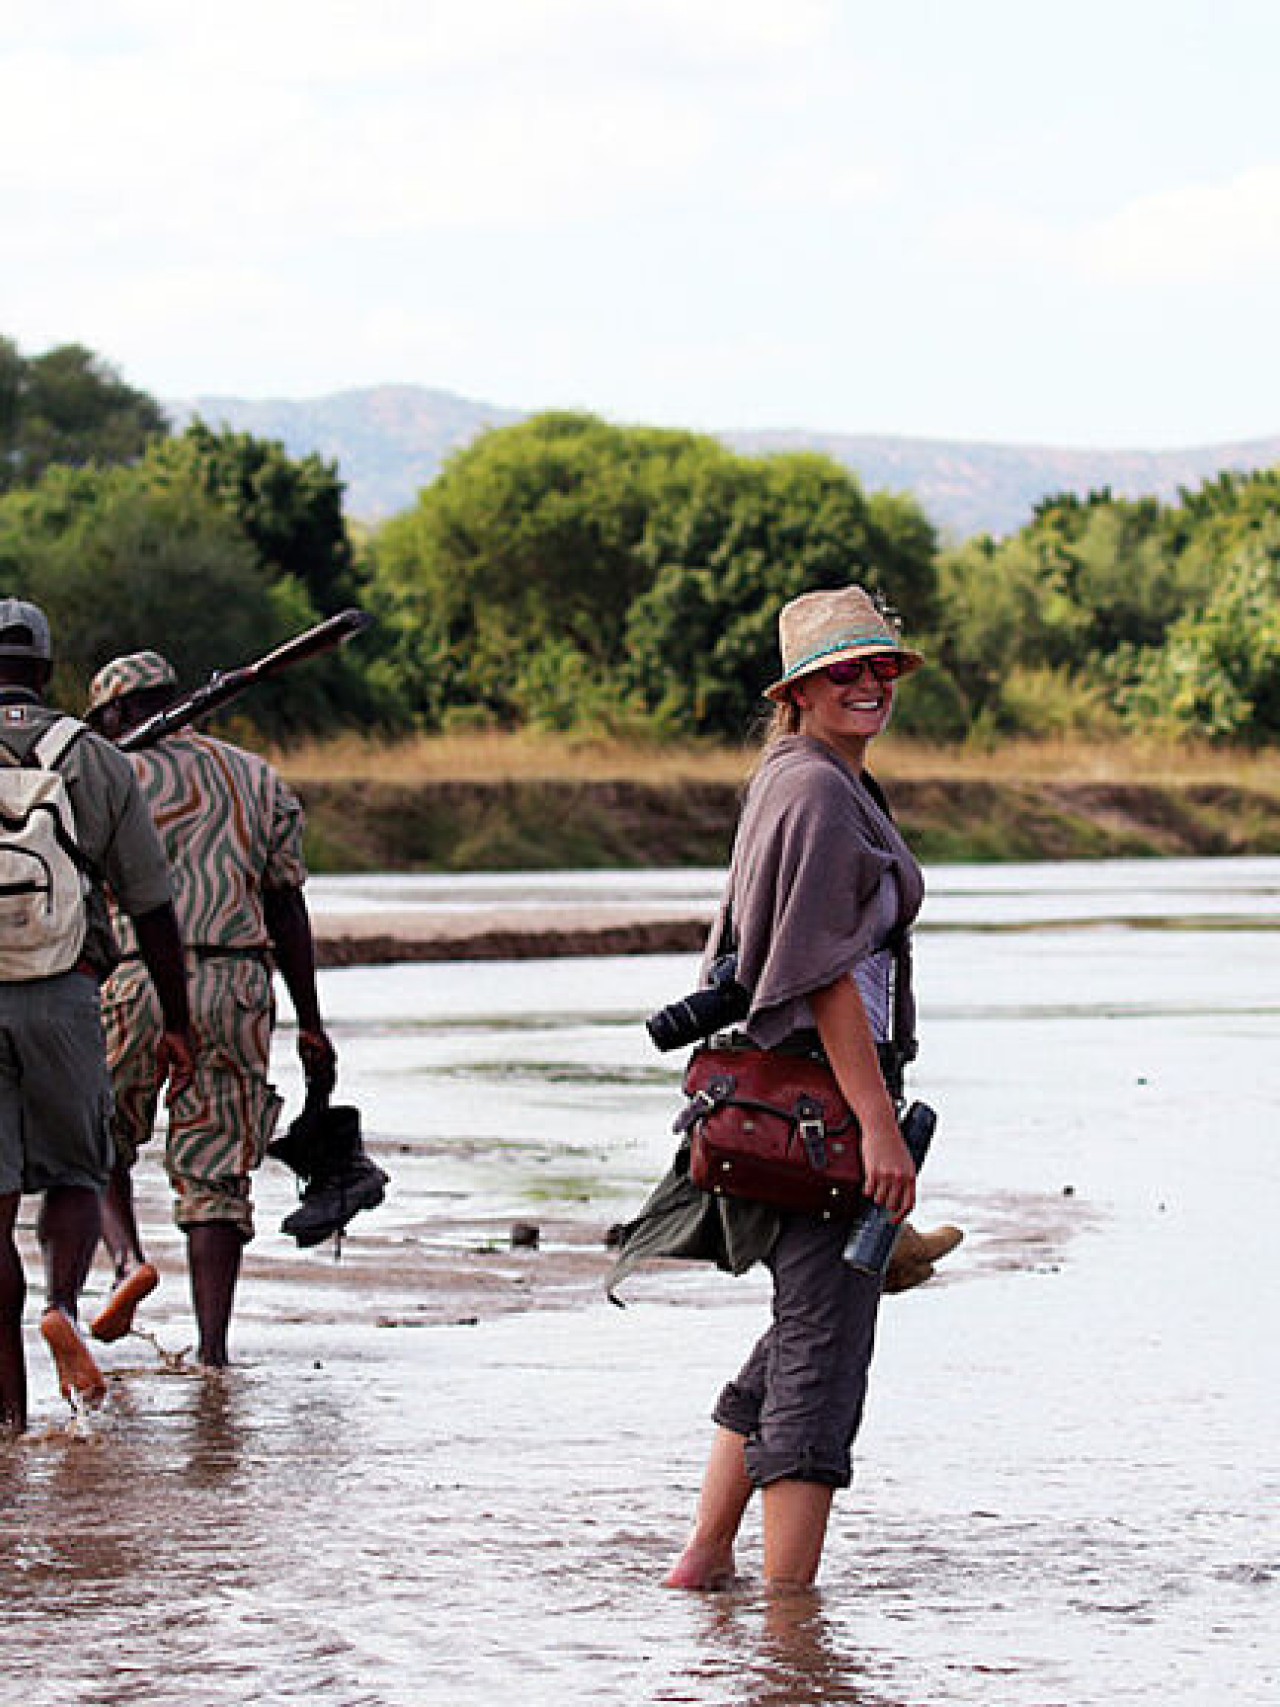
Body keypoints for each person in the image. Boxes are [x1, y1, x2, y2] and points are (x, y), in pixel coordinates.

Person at [612, 584, 952, 1590]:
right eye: (842, 670)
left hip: (802, 1100)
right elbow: (819, 974)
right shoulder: (811, 787)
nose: (867, 685)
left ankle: (706, 1561)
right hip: (815, 1110)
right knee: (823, 1344)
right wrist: (878, 1125)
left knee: (806, 1319)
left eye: (879, 666)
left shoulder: (810, 776)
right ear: (799, 688)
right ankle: (788, 1626)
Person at [84, 650, 341, 1368]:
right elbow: (286, 904)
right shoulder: (255, 777)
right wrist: (310, 1019)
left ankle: (127, 1258)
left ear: (112, 714)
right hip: (236, 982)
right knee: (217, 1169)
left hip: (135, 978)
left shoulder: (105, 772)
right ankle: (213, 1351)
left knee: (99, 1135)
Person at [0, 600, 193, 1433]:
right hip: (66, 992)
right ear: (48, 673)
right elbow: (151, 903)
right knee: (80, 1169)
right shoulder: (96, 760)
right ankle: (63, 1306)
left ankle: (7, 1415)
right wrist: (176, 1019)